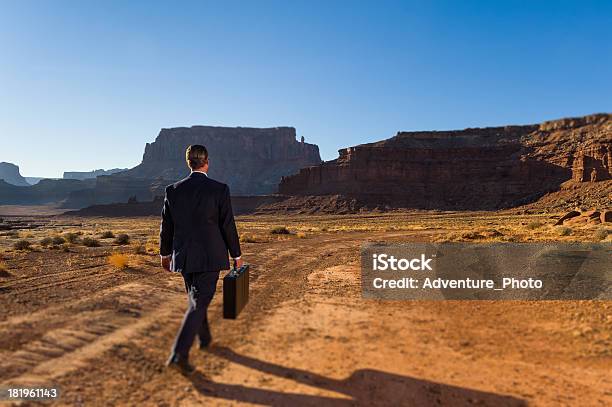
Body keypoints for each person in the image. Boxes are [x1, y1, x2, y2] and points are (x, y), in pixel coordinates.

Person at [159, 144, 243, 375]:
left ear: (189, 163)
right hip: (209, 256)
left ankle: (205, 339)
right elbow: (228, 225)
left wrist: (165, 254)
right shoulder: (219, 189)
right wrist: (236, 255)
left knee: (196, 300)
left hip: (184, 256)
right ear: (207, 162)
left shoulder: (173, 190)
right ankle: (179, 354)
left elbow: (167, 227)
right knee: (199, 302)